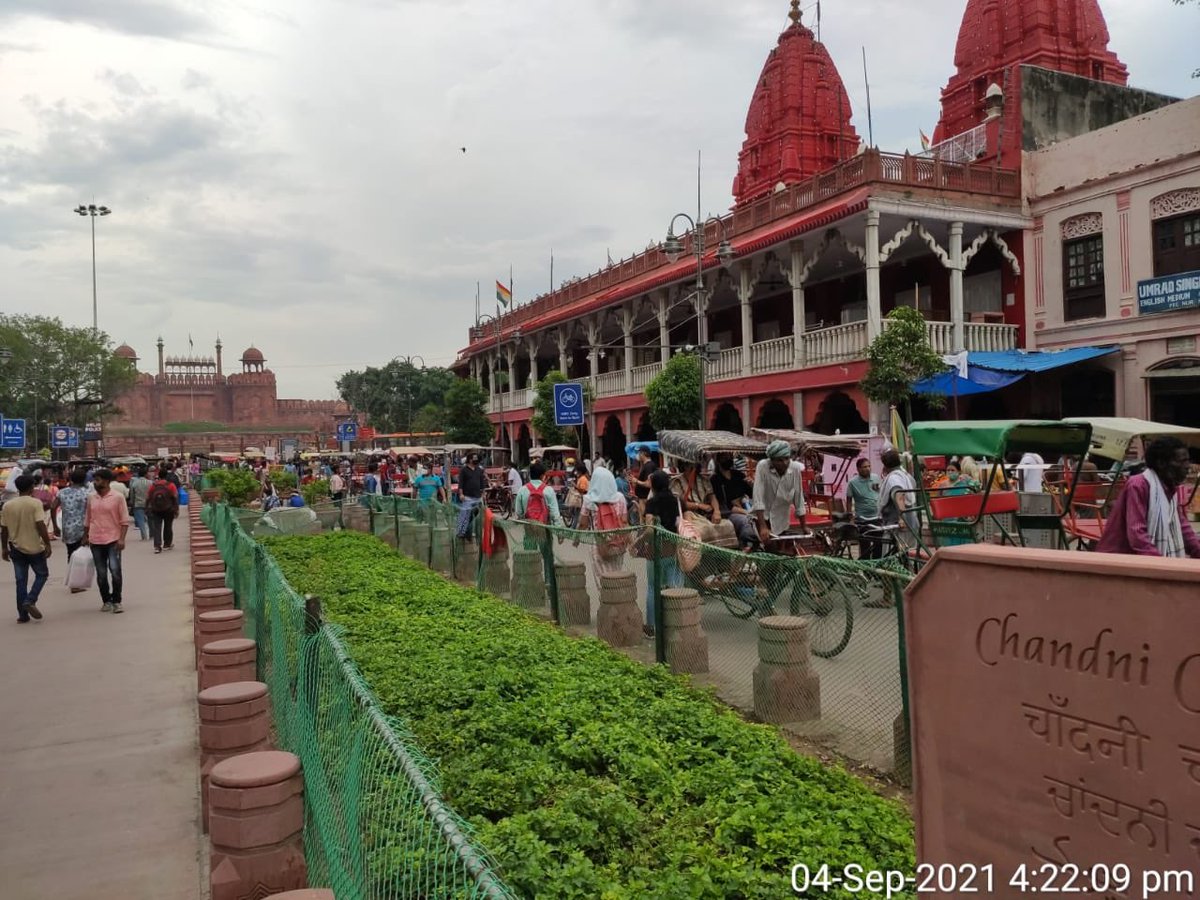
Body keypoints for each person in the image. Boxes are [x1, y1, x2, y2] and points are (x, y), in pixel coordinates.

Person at [1097, 436, 1200, 558]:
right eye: (1182, 461)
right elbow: (1137, 533)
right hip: (1121, 558)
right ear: (1161, 463)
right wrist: (1161, 562)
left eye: (1187, 461)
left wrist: (1197, 549)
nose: (1187, 466)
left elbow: (1181, 525)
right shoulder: (1138, 485)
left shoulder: (1170, 487)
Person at [2, 474, 53, 623]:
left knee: (20, 581)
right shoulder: (35, 503)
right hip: (35, 547)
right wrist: (47, 543)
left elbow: (4, 529)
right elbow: (40, 524)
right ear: (32, 487)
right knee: (42, 575)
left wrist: (4, 548)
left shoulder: (7, 505)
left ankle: (23, 615)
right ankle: (30, 600)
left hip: (16, 547)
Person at [84, 468, 131, 613]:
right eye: (94, 480)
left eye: (97, 480)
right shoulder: (91, 497)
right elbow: (88, 518)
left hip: (113, 539)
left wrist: (122, 539)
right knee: (101, 573)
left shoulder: (118, 497)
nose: (95, 482)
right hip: (95, 540)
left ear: (106, 481)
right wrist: (85, 536)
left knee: (115, 571)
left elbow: (124, 520)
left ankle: (117, 601)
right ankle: (106, 601)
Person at [642, 469, 683, 637]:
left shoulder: (651, 503)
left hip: (655, 551)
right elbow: (680, 522)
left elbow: (649, 530)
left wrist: (639, 542)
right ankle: (675, 624)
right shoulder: (675, 501)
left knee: (653, 587)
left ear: (653, 485)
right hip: (672, 548)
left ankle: (651, 627)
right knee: (673, 586)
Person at [752, 440, 807, 548]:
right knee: (769, 548)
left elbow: (799, 498)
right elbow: (758, 497)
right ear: (771, 460)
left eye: (786, 458)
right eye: (779, 460)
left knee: (786, 550)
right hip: (763, 517)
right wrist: (763, 527)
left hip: (782, 519)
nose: (785, 463)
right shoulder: (763, 466)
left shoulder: (795, 468)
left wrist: (804, 527)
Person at [711, 454, 755, 549]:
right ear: (718, 460)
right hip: (729, 512)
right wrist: (746, 512)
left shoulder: (738, 475)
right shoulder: (715, 479)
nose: (729, 459)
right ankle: (748, 546)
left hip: (746, 506)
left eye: (730, 457)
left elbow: (751, 494)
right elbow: (725, 505)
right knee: (745, 521)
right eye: (725, 457)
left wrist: (752, 485)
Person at [879, 448, 918, 546]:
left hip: (898, 527)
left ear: (885, 465)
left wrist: (902, 518)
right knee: (911, 552)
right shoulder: (907, 476)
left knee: (898, 553)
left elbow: (899, 496)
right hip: (912, 523)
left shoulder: (894, 478)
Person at [846, 457, 882, 560]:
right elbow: (849, 500)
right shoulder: (852, 483)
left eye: (869, 466)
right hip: (862, 519)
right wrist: (850, 517)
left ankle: (876, 566)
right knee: (865, 546)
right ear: (858, 469)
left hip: (877, 518)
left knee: (878, 545)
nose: (868, 469)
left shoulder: (876, 478)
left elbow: (879, 493)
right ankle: (865, 566)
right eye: (864, 467)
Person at [52, 468, 89, 559]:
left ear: (71, 479)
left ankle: (72, 567)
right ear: (84, 479)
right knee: (85, 555)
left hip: (68, 529)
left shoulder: (62, 492)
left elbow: (53, 507)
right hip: (85, 529)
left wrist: (55, 526)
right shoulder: (88, 493)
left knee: (71, 554)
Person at [514, 461, 564, 526]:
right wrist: (558, 528)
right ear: (542, 476)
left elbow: (518, 512)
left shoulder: (522, 490)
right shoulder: (549, 490)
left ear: (530, 475)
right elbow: (555, 514)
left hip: (529, 528)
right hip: (545, 528)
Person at [146, 467, 180, 553]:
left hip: (156, 509)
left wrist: (146, 508)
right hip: (169, 509)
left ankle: (157, 546)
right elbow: (175, 497)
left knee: (157, 527)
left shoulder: (154, 486)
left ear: (159, 475)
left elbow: (148, 497)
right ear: (166, 476)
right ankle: (167, 544)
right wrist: (176, 509)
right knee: (168, 526)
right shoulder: (170, 485)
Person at [456, 453, 488, 538]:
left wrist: (483, 493)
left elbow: (482, 483)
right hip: (467, 497)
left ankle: (473, 531)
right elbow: (461, 483)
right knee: (464, 515)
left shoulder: (479, 470)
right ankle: (460, 532)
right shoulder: (464, 470)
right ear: (470, 460)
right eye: (474, 458)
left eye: (477, 458)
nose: (476, 460)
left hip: (478, 497)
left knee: (478, 515)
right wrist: (461, 494)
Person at [129, 466, 151, 541]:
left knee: (141, 521)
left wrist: (132, 502)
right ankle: (152, 535)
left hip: (138, 504)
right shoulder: (150, 483)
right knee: (150, 520)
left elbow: (132, 495)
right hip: (149, 504)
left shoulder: (134, 483)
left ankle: (144, 536)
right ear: (146, 474)